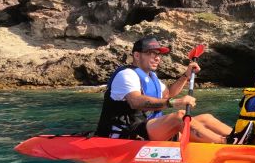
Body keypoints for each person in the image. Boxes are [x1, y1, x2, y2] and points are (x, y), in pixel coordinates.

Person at [95, 35, 232, 143]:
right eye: (151, 53)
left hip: (151, 128)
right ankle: (225, 143)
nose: (157, 58)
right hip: (129, 132)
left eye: (158, 54)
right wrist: (173, 103)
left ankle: (239, 137)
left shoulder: (151, 77)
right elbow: (135, 101)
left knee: (206, 118)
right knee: (179, 116)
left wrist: (185, 76)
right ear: (137, 55)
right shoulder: (126, 74)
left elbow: (168, 94)